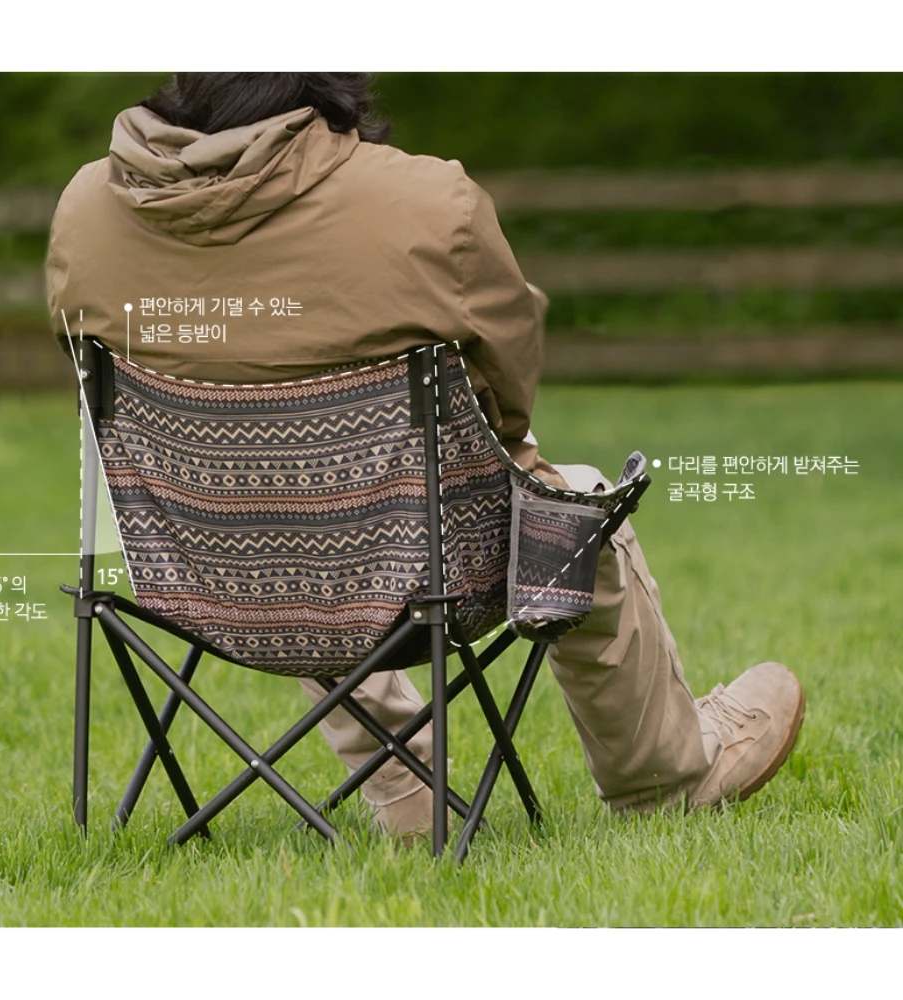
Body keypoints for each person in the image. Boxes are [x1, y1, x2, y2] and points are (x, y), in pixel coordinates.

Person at [46, 72, 805, 835]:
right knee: (570, 503)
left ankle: (406, 791)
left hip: (205, 578)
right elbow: (508, 401)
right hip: (417, 575)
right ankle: (667, 777)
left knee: (298, 512)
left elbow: (92, 389)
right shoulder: (427, 202)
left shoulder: (86, 210)